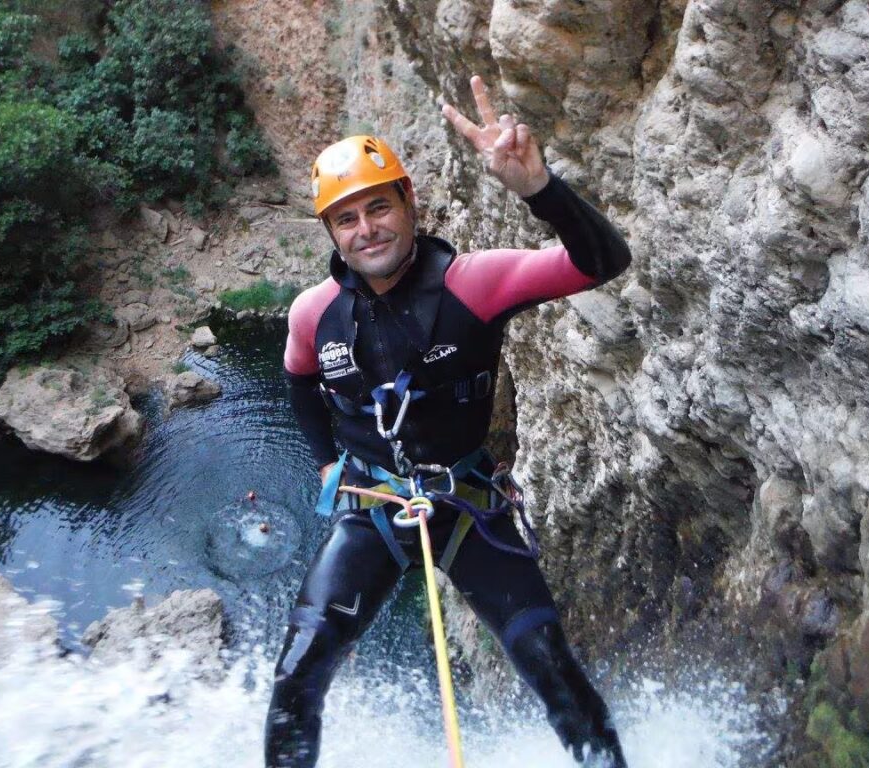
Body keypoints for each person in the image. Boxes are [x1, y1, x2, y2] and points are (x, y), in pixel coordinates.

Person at [267, 75, 631, 767]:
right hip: (372, 507)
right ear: (331, 233)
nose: (366, 228)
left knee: (553, 670)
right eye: (347, 218)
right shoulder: (314, 313)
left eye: (379, 207)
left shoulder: (475, 283)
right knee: (296, 678)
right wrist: (324, 460)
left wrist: (538, 189)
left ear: (410, 203)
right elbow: (298, 379)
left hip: (465, 506)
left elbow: (602, 263)